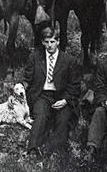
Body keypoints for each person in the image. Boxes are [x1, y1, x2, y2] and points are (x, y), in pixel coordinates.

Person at [24, 26, 82, 155]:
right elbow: (27, 79)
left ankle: (55, 151)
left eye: (52, 42)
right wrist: (18, 91)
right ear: (42, 42)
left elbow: (75, 85)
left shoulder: (69, 60)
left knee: (63, 119)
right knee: (41, 116)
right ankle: (33, 149)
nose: (49, 45)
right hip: (42, 95)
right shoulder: (35, 57)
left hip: (62, 95)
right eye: (46, 42)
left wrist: (66, 100)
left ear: (58, 41)